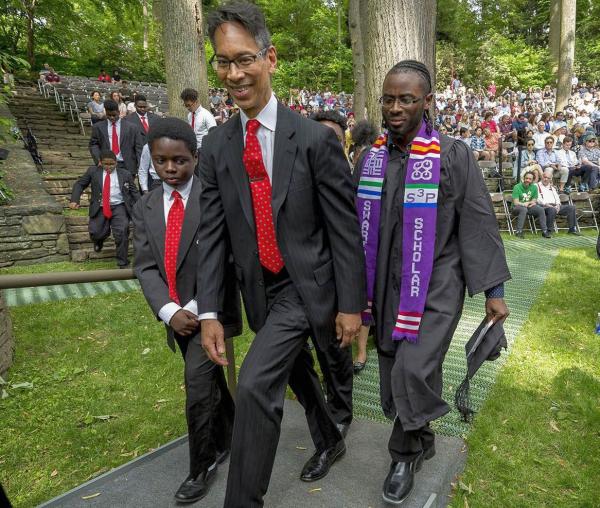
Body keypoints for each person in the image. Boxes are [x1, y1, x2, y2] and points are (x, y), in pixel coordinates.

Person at [197, 3, 366, 506]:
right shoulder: (217, 147)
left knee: (252, 385)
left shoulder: (314, 139)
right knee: (296, 372)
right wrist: (209, 310)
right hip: (258, 289)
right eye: (223, 62)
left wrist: (352, 305)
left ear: (269, 58)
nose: (234, 73)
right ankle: (331, 439)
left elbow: (344, 229)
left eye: (244, 58)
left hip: (308, 285)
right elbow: (213, 233)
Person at [354, 60, 510, 505]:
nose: (396, 107)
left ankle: (402, 455)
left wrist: (494, 292)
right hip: (384, 280)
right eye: (388, 98)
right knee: (391, 367)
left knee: (414, 366)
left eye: (406, 98)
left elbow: (478, 220)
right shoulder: (370, 159)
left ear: (427, 101)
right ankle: (421, 436)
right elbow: (351, 226)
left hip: (438, 280)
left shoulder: (452, 153)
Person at [133, 118, 241, 503]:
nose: (171, 169)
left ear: (195, 158)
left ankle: (202, 465)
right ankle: (230, 435)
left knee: (197, 386)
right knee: (209, 383)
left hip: (209, 314)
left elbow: (227, 257)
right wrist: (168, 310)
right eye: (162, 162)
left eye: (179, 161)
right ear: (152, 161)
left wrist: (197, 307)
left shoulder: (212, 197)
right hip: (175, 315)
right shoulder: (145, 205)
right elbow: (145, 265)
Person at [69, 150, 139, 267]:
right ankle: (99, 240)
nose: (109, 167)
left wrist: (143, 205)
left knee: (122, 232)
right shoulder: (93, 171)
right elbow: (80, 184)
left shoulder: (125, 174)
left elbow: (134, 192)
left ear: (116, 162)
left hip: (119, 206)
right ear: (100, 163)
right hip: (100, 207)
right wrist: (75, 200)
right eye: (106, 164)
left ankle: (122, 261)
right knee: (96, 232)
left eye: (112, 164)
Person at [89, 99, 144, 178]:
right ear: (105, 112)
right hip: (106, 165)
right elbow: (93, 145)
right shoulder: (98, 127)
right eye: (109, 115)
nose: (111, 118)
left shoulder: (132, 127)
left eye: (114, 115)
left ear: (118, 112)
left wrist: (140, 166)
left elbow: (139, 148)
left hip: (127, 165)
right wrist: (98, 160)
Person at [511, 170, 551, 238]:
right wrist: (524, 204)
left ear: (532, 180)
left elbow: (534, 200)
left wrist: (530, 203)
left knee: (540, 209)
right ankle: (519, 231)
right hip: (516, 207)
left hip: (528, 207)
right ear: (524, 178)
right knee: (523, 209)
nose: (527, 180)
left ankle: (544, 231)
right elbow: (516, 202)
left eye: (530, 179)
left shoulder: (534, 187)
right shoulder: (517, 187)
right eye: (526, 178)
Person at [180, 88, 217, 156]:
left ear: (196, 102)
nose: (188, 108)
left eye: (189, 105)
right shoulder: (190, 115)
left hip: (204, 152)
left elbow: (214, 135)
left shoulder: (207, 115)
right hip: (192, 151)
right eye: (185, 106)